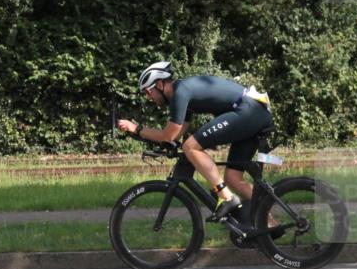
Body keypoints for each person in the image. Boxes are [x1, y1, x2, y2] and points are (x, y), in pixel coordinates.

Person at [116, 62, 273, 224]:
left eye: (149, 92)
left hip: (247, 111)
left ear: (161, 84)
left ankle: (226, 197)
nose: (149, 97)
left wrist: (136, 129)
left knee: (190, 146)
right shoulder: (183, 93)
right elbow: (175, 134)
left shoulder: (180, 92)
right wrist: (162, 142)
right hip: (253, 112)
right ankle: (271, 227)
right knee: (233, 178)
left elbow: (168, 136)